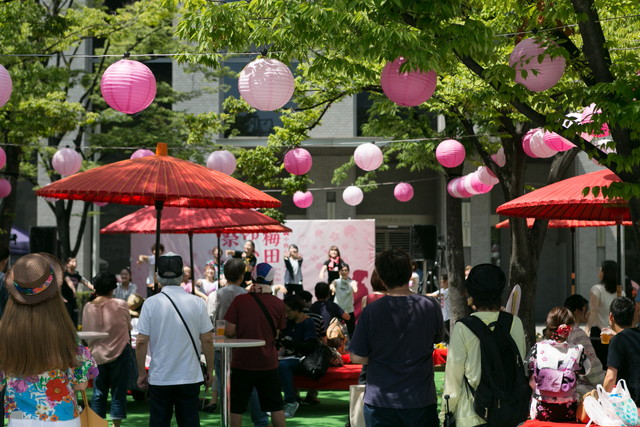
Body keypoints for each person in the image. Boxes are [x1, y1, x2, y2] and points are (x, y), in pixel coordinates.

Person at [0, 253, 99, 423]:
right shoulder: (67, 336)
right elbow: (81, 384)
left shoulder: (5, 334)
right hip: (63, 417)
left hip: (19, 418)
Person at [350, 249, 443, 427]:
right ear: (409, 273)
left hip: (380, 400)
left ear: (381, 278)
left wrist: (380, 356)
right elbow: (437, 338)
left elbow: (357, 357)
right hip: (420, 398)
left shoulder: (371, 311)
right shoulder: (431, 305)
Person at [440, 263, 526, 427]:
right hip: (506, 413)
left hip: (471, 415)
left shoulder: (462, 327)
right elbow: (517, 364)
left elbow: (453, 378)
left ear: (471, 293)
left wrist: (445, 413)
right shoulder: (514, 323)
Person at [135, 252, 215, 427]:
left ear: (157, 276)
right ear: (182, 276)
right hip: (189, 375)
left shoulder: (150, 303)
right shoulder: (197, 302)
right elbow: (207, 339)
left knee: (159, 422)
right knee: (189, 422)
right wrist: (210, 368)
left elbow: (141, 341)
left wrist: (141, 373)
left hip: (160, 375)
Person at [206, 258, 269, 426]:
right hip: (245, 346)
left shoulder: (214, 295)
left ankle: (227, 419)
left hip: (221, 345)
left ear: (225, 275)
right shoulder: (248, 296)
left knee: (225, 386)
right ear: (242, 276)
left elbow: (208, 321)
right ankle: (261, 421)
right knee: (252, 385)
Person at [224, 263, 287, 427]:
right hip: (268, 362)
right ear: (271, 281)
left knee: (236, 408)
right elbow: (277, 332)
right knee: (276, 406)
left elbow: (229, 331)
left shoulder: (240, 301)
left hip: (242, 361)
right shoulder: (278, 303)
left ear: (251, 278)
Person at [82, 271, 132, 427]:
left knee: (98, 393)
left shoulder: (88, 306)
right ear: (113, 287)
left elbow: (86, 333)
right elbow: (129, 327)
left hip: (97, 355)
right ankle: (116, 425)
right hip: (120, 351)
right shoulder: (121, 304)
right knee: (118, 392)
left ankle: (97, 424)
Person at [526, 306, 590, 422]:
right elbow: (586, 370)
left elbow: (527, 370)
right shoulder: (577, 350)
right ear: (570, 328)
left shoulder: (538, 348)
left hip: (540, 410)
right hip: (568, 411)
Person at [278, 295, 318, 418]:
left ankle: (291, 401)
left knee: (283, 366)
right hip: (288, 357)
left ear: (296, 309)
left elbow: (310, 346)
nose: (286, 314)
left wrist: (292, 344)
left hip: (304, 360)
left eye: (288, 311)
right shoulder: (289, 322)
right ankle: (277, 403)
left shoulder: (308, 322)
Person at [564, 294, 605, 394]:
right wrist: (603, 384)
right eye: (586, 309)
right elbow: (592, 364)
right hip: (581, 388)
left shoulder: (561, 332)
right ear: (577, 311)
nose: (589, 313)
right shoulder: (578, 334)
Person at [604, 296, 640, 404]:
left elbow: (610, 377)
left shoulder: (618, 340)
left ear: (611, 317)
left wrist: (602, 399)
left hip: (632, 404)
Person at [587, 260, 624, 337]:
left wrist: (587, 328)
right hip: (615, 332)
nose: (599, 270)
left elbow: (593, 311)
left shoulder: (597, 289)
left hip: (598, 331)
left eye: (601, 269)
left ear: (605, 272)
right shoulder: (621, 292)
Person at [63, 256, 93, 327]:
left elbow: (86, 283)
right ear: (67, 264)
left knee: (74, 319)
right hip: (65, 301)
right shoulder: (65, 274)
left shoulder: (77, 276)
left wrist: (95, 288)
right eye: (73, 261)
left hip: (73, 300)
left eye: (76, 261)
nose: (75, 263)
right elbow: (69, 282)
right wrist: (73, 290)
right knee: (66, 320)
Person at [330, 264, 358, 338]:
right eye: (342, 270)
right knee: (334, 330)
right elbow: (332, 285)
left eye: (346, 270)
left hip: (349, 310)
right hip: (338, 310)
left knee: (352, 331)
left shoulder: (352, 282)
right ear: (339, 272)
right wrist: (332, 288)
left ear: (348, 271)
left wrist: (355, 288)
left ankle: (353, 344)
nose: (344, 272)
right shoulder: (336, 281)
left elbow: (355, 287)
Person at [427, 273, 451, 343]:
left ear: (446, 281)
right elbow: (431, 294)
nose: (440, 281)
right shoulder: (442, 290)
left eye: (442, 279)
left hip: (448, 316)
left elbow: (435, 295)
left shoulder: (448, 291)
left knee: (448, 335)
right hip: (443, 315)